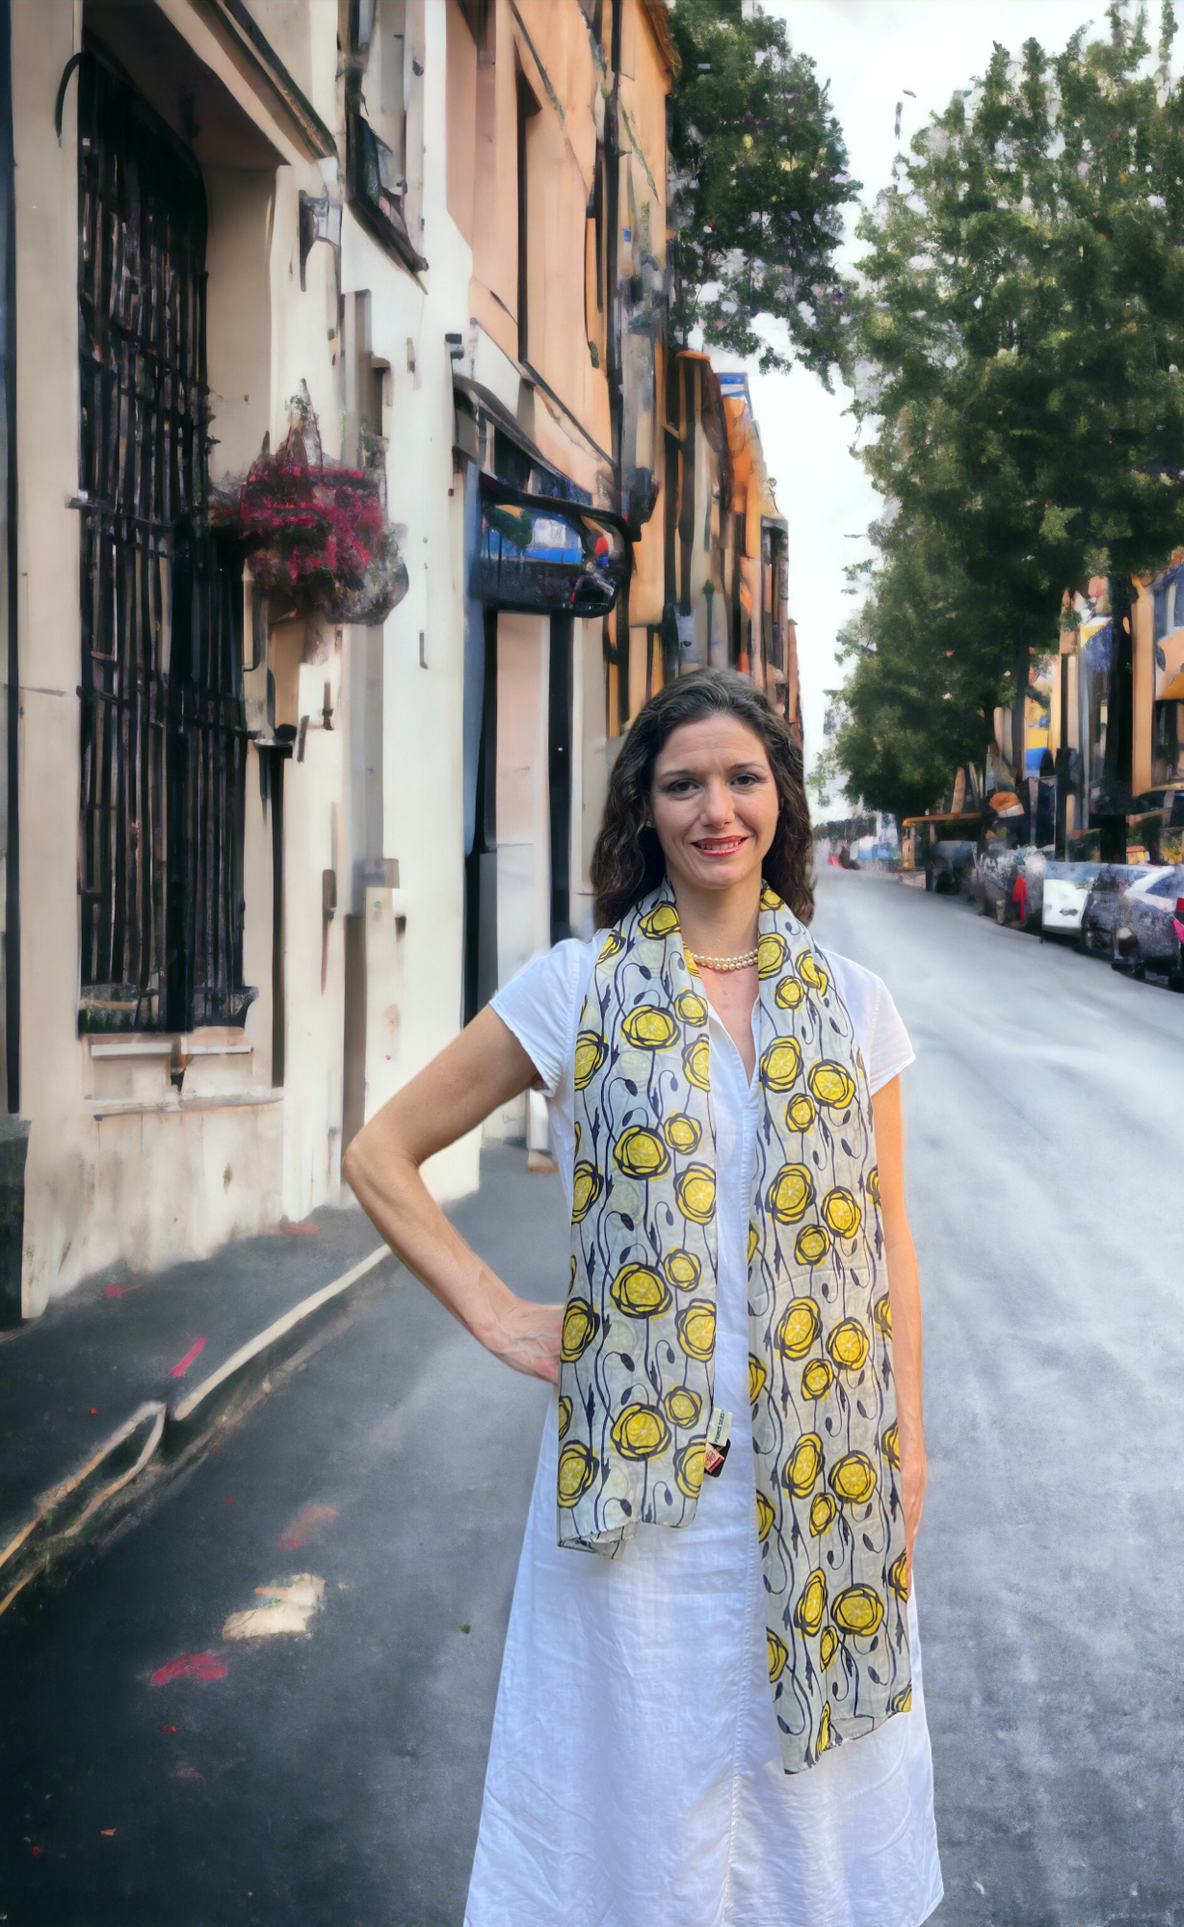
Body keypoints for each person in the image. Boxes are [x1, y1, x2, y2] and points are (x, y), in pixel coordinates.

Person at [344, 668, 942, 1927]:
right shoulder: (575, 988)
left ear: (778, 796)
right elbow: (380, 1151)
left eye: (740, 778)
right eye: (682, 784)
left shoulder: (854, 1007)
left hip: (818, 1467)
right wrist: (500, 1315)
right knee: (623, 1790)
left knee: (805, 1810)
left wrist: (908, 1445)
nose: (713, 808)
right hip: (637, 1484)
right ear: (644, 808)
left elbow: (887, 1249)